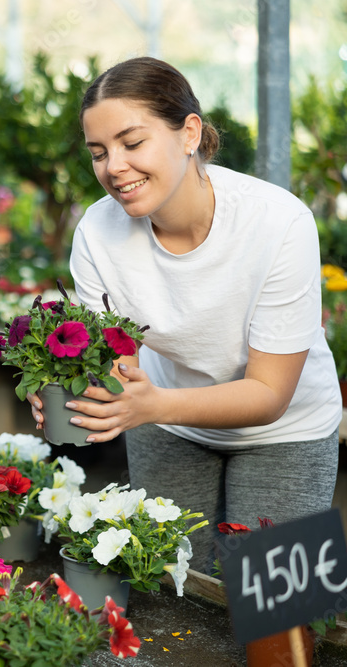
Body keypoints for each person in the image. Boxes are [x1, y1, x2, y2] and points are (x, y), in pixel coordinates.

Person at [30, 57, 341, 573]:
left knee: (278, 622)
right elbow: (108, 361)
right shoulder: (97, 231)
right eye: (99, 152)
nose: (114, 167)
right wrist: (68, 390)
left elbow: (269, 394)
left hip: (284, 431)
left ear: (189, 133)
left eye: (133, 143)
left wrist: (149, 406)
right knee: (176, 589)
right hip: (166, 422)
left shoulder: (279, 222)